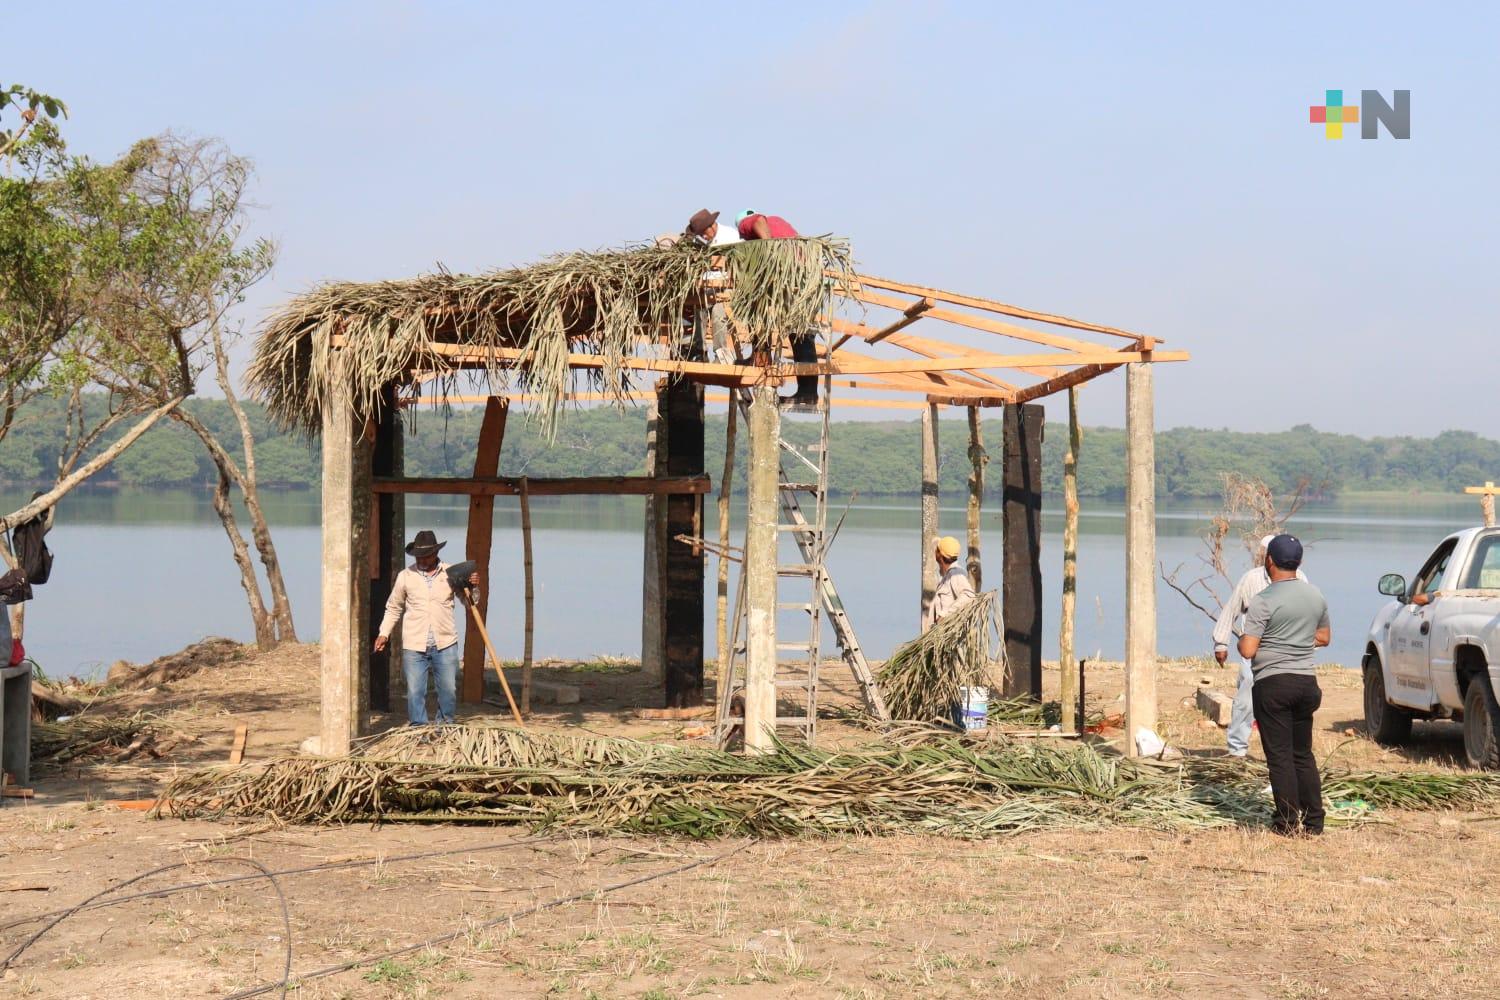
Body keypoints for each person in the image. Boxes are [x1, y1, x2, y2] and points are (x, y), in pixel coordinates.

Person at [1238, 534, 1331, 836]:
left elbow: (1248, 649)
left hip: (1274, 684)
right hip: (1306, 683)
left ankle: (1287, 822)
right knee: (1302, 753)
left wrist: (1243, 640)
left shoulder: (1263, 600)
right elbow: (1324, 638)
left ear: (1269, 561)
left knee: (1279, 756)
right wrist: (1296, 638)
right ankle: (1314, 821)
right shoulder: (1315, 595)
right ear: (1299, 562)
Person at [1212, 534, 1307, 758]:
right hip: (1254, 652)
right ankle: (1237, 749)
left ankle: (1284, 751)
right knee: (1246, 697)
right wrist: (1221, 643)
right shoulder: (1252, 579)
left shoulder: (1301, 579)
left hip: (1286, 652)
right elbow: (1232, 608)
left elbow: (1307, 615)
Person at [374, 530, 479, 726]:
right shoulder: (405, 576)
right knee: (415, 692)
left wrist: (472, 587)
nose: (422, 560)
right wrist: (384, 633)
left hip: (445, 642)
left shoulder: (451, 573)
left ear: (435, 553)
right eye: (418, 556)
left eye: (426, 556)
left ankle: (445, 727)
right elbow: (394, 607)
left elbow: (469, 602)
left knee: (448, 690)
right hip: (414, 644)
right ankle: (418, 729)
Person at [736, 209, 818, 407]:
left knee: (759, 313)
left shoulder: (747, 223)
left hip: (791, 276)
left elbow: (757, 220)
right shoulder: (778, 221)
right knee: (801, 335)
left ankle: (759, 358)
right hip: (806, 277)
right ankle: (808, 393)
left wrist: (770, 250)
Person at [924, 536, 975, 630]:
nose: (935, 552)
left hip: (950, 634)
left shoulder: (955, 573)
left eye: (937, 550)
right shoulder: (947, 575)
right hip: (940, 634)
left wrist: (945, 616)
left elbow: (969, 595)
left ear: (940, 555)